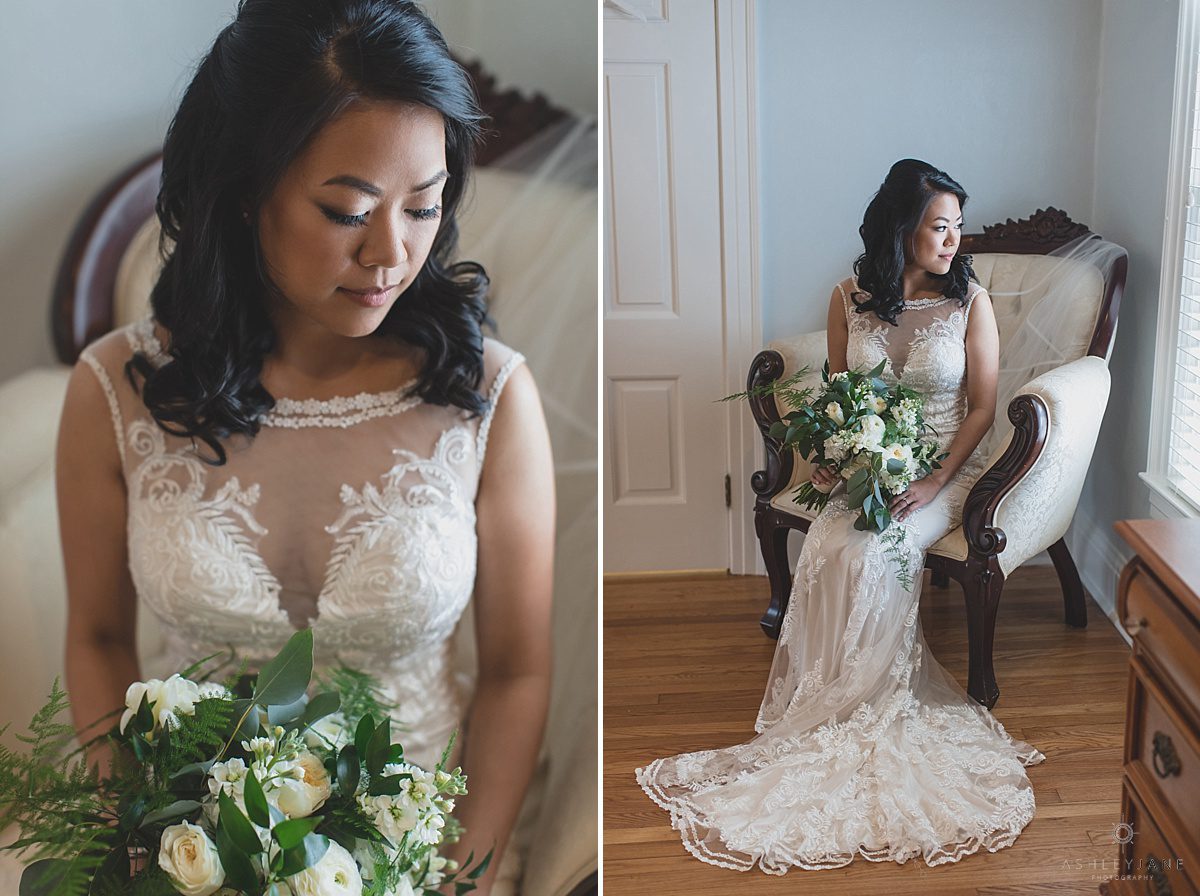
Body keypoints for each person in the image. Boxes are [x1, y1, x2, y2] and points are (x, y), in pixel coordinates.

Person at [55, 2, 554, 892]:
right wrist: (140, 839)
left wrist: (460, 873)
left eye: (424, 207)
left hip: (426, 853)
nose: (392, 253)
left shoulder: (492, 399)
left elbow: (517, 671)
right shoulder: (112, 390)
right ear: (248, 189)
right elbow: (97, 639)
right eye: (347, 210)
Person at [636, 159, 1045, 873]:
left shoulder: (967, 304)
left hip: (942, 472)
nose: (953, 241)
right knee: (831, 544)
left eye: (956, 227)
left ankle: (862, 705)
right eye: (938, 227)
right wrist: (827, 456)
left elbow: (982, 407)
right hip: (866, 466)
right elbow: (838, 396)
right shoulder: (848, 298)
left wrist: (935, 479)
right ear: (900, 228)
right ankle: (824, 698)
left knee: (868, 553)